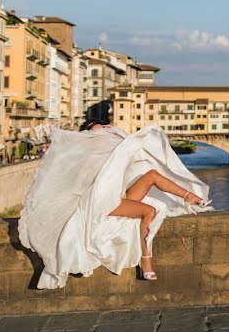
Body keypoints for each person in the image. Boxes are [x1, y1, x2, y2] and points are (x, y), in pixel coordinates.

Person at [18, 120, 212, 288]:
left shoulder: (112, 152)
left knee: (152, 175)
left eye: (104, 129)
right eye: (98, 131)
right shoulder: (87, 160)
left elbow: (130, 149)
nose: (103, 132)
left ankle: (190, 197)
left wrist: (116, 133)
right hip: (102, 204)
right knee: (149, 211)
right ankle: (146, 260)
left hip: (116, 197)